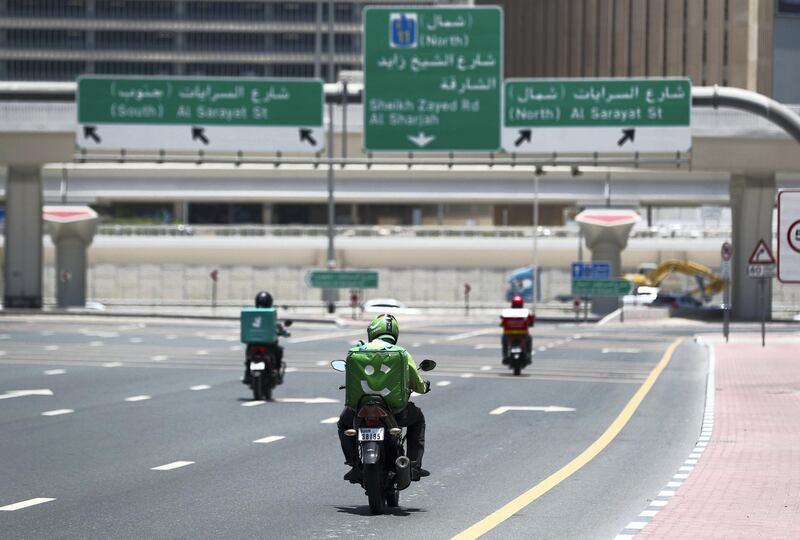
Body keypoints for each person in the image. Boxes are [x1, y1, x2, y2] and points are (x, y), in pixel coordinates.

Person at [337, 313, 430, 483]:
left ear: (372, 330)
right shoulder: (401, 353)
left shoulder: (357, 351)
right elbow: (418, 385)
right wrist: (424, 387)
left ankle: (353, 464)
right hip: (395, 411)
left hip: (360, 410)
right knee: (418, 419)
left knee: (344, 422)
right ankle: (414, 466)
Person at [242, 291, 289, 384]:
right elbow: (279, 327)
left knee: (248, 354)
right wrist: (285, 333)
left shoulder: (251, 314)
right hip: (269, 344)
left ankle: (247, 373)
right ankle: (276, 370)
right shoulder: (270, 314)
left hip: (253, 343)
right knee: (279, 351)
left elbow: (246, 326)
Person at [501, 295, 534, 360]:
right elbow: (531, 320)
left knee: (504, 340)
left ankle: (505, 355)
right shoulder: (525, 312)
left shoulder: (508, 312)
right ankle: (528, 355)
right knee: (529, 339)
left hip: (510, 334)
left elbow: (503, 321)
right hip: (522, 334)